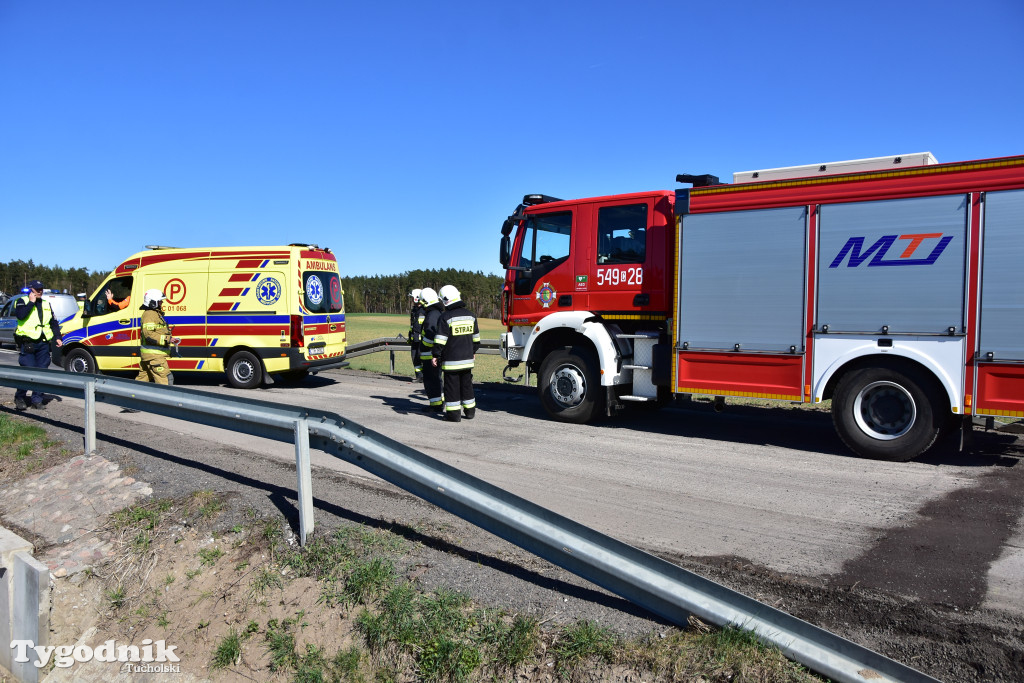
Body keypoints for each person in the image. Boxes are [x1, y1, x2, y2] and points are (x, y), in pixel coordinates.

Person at [12, 280, 64, 410]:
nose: (40, 291)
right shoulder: (21, 301)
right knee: (27, 371)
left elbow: (53, 323)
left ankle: (37, 399)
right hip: (28, 342)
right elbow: (21, 316)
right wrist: (31, 302)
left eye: (41, 288)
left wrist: (57, 337)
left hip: (43, 342)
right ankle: (20, 397)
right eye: (37, 289)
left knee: (42, 372)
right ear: (31, 290)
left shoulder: (46, 304)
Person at [432, 285, 480, 423]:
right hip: (468, 360)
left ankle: (454, 415)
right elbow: (476, 339)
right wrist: (472, 351)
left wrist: (436, 355)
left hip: (451, 362)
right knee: (467, 386)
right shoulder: (471, 315)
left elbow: (440, 340)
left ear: (446, 300)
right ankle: (470, 412)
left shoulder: (445, 317)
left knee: (452, 388)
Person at [136, 289, 179, 385]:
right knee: (166, 380)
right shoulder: (150, 314)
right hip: (154, 357)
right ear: (153, 302)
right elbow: (149, 335)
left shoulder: (155, 314)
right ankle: (165, 400)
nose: (162, 302)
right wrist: (168, 339)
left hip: (151, 356)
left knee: (141, 383)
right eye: (160, 300)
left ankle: (131, 398)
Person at [417, 287, 444, 413]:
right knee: (435, 379)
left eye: (422, 301)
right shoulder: (436, 313)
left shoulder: (432, 315)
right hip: (432, 354)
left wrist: (423, 346)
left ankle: (436, 405)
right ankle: (437, 403)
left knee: (431, 380)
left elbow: (430, 334)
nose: (420, 304)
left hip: (429, 354)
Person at [408, 289, 424, 382]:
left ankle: (425, 377)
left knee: (421, 357)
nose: (411, 299)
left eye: (412, 297)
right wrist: (410, 336)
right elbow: (412, 326)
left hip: (422, 340)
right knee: (415, 357)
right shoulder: (414, 310)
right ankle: (419, 376)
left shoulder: (425, 310)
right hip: (415, 338)